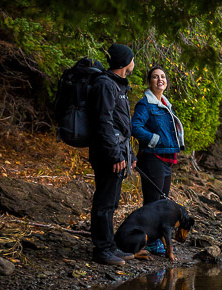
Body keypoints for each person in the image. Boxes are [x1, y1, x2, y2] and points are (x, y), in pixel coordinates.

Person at [88, 43, 137, 265]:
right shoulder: (105, 85)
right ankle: (102, 250)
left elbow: (121, 126)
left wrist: (130, 154)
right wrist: (116, 155)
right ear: (125, 63)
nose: (134, 63)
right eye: (132, 59)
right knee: (104, 202)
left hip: (118, 151)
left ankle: (110, 245)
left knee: (111, 201)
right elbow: (103, 123)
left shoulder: (118, 86)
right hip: (108, 154)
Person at [130, 65, 186, 254]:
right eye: (155, 77)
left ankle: (157, 240)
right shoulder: (145, 104)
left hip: (167, 156)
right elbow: (135, 127)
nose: (160, 79)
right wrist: (154, 139)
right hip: (152, 157)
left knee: (162, 201)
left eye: (162, 76)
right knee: (153, 202)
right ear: (149, 82)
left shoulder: (164, 104)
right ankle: (151, 241)